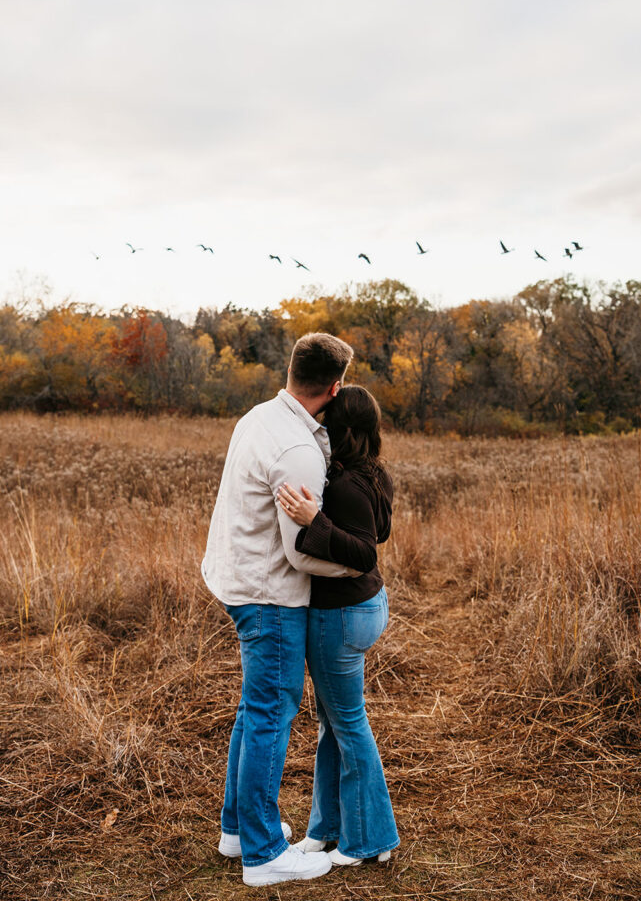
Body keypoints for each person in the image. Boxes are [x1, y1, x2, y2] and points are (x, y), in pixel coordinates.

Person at [200, 332, 359, 888]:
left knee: (255, 709)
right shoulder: (298, 451)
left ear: (292, 370)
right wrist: (356, 568)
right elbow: (301, 554)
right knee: (270, 712)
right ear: (335, 388)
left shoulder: (259, 417)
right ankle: (265, 854)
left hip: (237, 578)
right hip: (268, 594)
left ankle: (238, 830)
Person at [276, 384, 400, 866]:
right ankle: (324, 830)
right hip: (365, 606)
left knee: (348, 724)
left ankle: (371, 841)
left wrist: (315, 520)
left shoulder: (346, 484)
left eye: (327, 422)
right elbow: (378, 531)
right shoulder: (373, 473)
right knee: (333, 722)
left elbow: (366, 551)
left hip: (341, 616)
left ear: (340, 429)